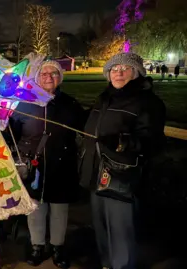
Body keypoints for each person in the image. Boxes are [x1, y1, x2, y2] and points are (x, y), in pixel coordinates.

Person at [80, 52, 165, 269]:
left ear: (136, 72)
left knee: (120, 231)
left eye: (125, 68)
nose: (119, 73)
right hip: (96, 173)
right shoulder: (104, 97)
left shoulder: (147, 102)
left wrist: (122, 142)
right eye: (114, 69)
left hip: (121, 177)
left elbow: (152, 141)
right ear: (108, 74)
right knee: (101, 229)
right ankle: (107, 264)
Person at [10, 58, 85, 268]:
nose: (48, 77)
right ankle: (37, 246)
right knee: (35, 209)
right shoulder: (25, 103)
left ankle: (58, 247)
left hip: (63, 165)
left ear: (60, 77)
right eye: (44, 74)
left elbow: (83, 128)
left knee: (59, 210)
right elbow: (13, 133)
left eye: (53, 74)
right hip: (35, 167)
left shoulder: (70, 104)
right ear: (37, 78)